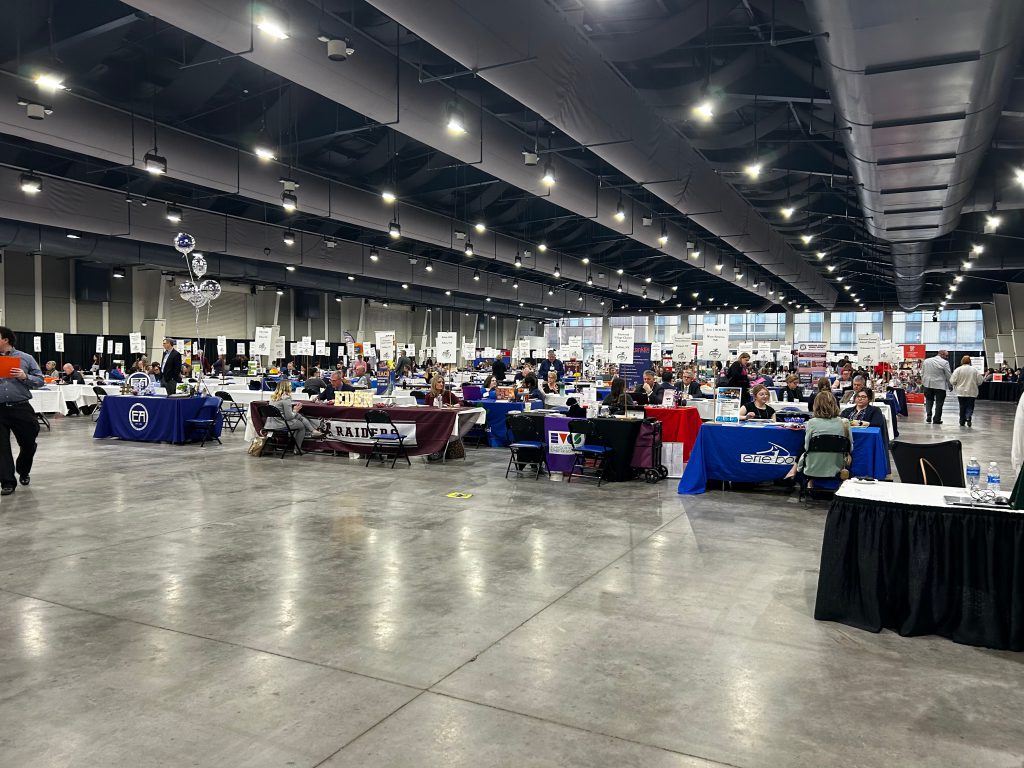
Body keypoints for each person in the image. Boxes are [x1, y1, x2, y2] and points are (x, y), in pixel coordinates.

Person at [0, 327, 43, 495]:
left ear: (6, 340)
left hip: (21, 407)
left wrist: (25, 376)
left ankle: (23, 470)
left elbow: (40, 381)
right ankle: (7, 482)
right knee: (1, 447)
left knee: (28, 442)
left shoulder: (26, 358)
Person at [785, 387, 851, 484]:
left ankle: (796, 474)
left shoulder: (811, 423)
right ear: (835, 404)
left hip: (813, 465)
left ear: (816, 405)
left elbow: (807, 447)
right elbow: (850, 448)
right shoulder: (845, 422)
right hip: (836, 465)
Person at [264, 380, 324, 452]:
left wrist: (295, 412)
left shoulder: (273, 398)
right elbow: (289, 417)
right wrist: (295, 410)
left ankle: (313, 430)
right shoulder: (286, 398)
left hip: (269, 424)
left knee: (298, 416)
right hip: (280, 424)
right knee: (301, 425)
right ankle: (297, 448)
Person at [950, 355, 983, 427]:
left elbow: (952, 381)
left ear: (962, 361)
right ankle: (968, 417)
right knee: (970, 405)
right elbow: (980, 381)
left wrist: (956, 383)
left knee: (962, 406)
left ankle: (962, 421)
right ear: (970, 362)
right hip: (972, 391)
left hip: (960, 391)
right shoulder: (975, 370)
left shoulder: (958, 370)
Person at [921, 349, 952, 424]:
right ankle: (936, 419)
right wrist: (950, 385)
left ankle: (928, 415)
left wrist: (924, 383)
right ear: (941, 354)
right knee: (939, 403)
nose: (947, 357)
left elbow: (922, 373)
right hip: (940, 385)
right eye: (946, 355)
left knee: (928, 400)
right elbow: (948, 374)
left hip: (928, 384)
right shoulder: (945, 362)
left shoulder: (926, 361)